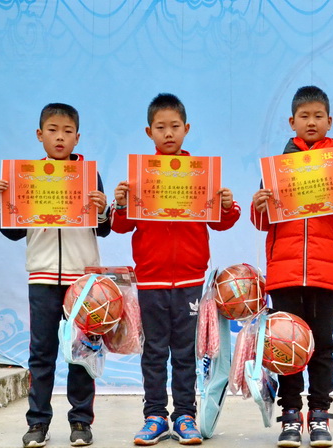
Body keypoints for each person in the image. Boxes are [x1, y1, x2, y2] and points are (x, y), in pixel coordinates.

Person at [111, 93, 241, 446]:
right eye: (160, 127)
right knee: (154, 352)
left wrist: (227, 205)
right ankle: (154, 416)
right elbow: (121, 226)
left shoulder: (201, 175)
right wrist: (121, 204)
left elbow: (221, 223)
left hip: (189, 279)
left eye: (174, 127)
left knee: (185, 352)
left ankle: (185, 416)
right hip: (151, 279)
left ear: (186, 129)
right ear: (148, 131)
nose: (168, 133)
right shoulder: (140, 177)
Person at [250, 85, 333, 448]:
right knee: (285, 349)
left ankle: (319, 415)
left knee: (322, 347)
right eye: (304, 116)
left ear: (330, 121)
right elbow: (262, 224)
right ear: (292, 122)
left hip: (326, 273)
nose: (311, 122)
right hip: (285, 273)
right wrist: (260, 204)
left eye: (318, 116)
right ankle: (290, 416)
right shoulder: (277, 168)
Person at [0, 103, 110, 447]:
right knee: (42, 354)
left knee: (81, 353)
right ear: (40, 135)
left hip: (82, 280)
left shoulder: (89, 175)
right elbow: (14, 233)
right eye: (53, 130)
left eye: (67, 131)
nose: (60, 137)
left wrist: (103, 210)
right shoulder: (25, 176)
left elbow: (103, 230)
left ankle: (81, 423)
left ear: (77, 137)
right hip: (41, 277)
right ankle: (37, 423)